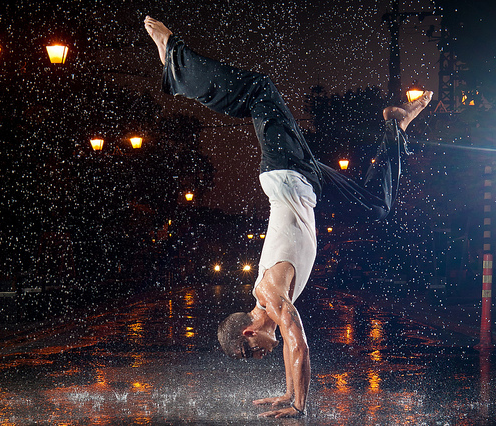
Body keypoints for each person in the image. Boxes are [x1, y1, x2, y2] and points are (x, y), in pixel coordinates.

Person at [144, 16, 432, 418]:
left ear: (250, 331)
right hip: (308, 181)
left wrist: (298, 404)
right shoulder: (270, 306)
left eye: (253, 353)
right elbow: (288, 343)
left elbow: (299, 346)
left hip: (286, 170)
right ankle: (395, 125)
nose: (260, 358)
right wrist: (287, 393)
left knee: (260, 90)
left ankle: (175, 59)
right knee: (376, 205)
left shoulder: (271, 294)